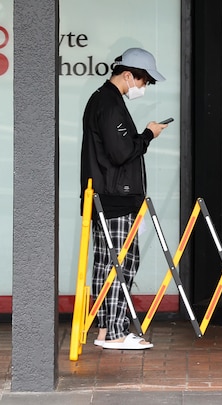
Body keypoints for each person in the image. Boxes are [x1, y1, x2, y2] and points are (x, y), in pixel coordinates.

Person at [80, 47, 168, 350]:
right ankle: (116, 332)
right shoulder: (109, 103)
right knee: (122, 264)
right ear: (128, 75)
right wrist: (147, 135)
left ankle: (105, 332)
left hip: (106, 197)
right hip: (116, 199)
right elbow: (120, 153)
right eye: (143, 81)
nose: (143, 88)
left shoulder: (103, 100)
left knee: (106, 266)